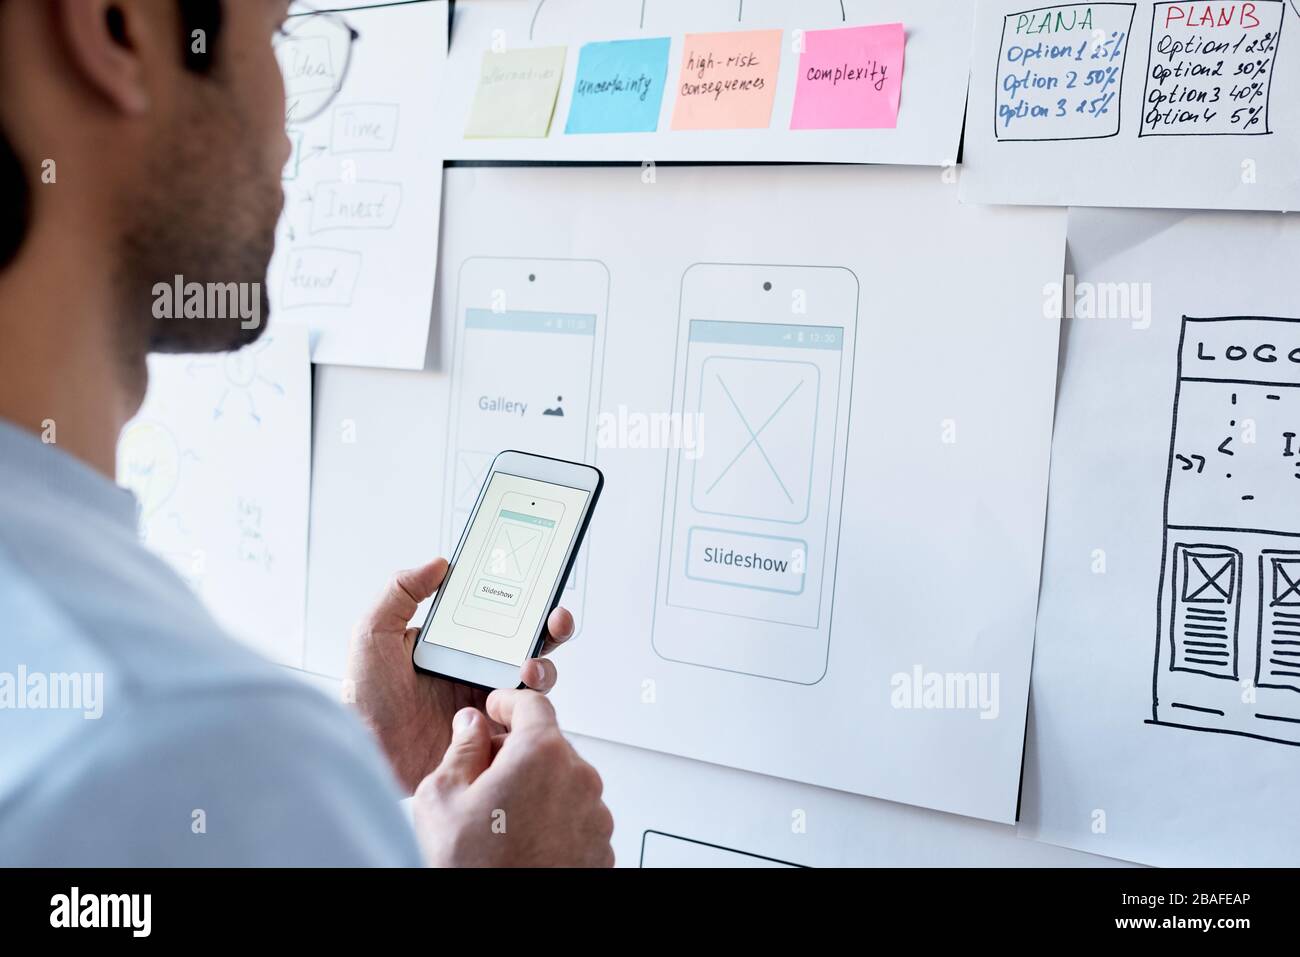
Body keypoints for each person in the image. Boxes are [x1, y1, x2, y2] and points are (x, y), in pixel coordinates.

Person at [0, 0, 614, 866]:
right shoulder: (168, 736)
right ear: (116, 29)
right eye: (278, 36)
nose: (289, 131)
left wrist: (355, 765)